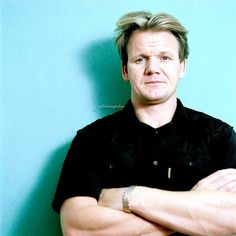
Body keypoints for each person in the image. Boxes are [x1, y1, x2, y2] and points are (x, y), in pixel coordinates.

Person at [52, 11, 236, 235]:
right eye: (140, 59)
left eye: (165, 58)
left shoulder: (219, 136)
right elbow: (78, 229)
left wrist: (130, 197)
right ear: (125, 70)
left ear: (182, 66)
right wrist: (194, 207)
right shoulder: (90, 141)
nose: (153, 69)